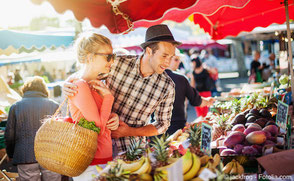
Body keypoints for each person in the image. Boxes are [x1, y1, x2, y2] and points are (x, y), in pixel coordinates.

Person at [63, 24, 180, 153]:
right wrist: (68, 83)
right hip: (97, 146)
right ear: (148, 51)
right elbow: (89, 72)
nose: (168, 63)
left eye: (171, 57)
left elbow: (162, 124)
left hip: (133, 151)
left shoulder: (167, 86)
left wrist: (129, 131)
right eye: (164, 56)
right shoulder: (117, 63)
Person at [68, 33, 119, 181]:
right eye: (107, 57)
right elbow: (97, 126)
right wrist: (109, 98)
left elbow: (101, 119)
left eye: (112, 56)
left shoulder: (97, 85)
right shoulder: (79, 85)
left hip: (102, 159)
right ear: (90, 57)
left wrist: (113, 117)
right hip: (91, 163)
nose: (112, 61)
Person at [5, 76, 61, 181]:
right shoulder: (54, 106)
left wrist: (11, 153)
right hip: (50, 156)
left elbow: (10, 134)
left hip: (25, 156)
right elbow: (60, 133)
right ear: (44, 89)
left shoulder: (16, 106)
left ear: (25, 89)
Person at [165, 55, 215, 135]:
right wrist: (208, 101)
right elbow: (195, 100)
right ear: (167, 60)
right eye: (176, 59)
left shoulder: (152, 78)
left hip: (155, 129)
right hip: (177, 127)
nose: (179, 62)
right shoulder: (181, 79)